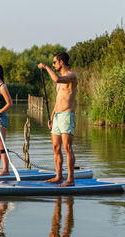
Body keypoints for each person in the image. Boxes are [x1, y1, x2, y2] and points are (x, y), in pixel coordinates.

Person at [38, 52, 78, 186]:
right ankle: (59, 176)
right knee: (56, 147)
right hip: (57, 116)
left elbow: (56, 79)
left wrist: (45, 67)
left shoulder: (71, 76)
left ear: (61, 62)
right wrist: (52, 116)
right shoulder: (60, 80)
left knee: (67, 148)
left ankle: (70, 179)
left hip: (67, 115)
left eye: (54, 62)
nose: (53, 65)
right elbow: (58, 99)